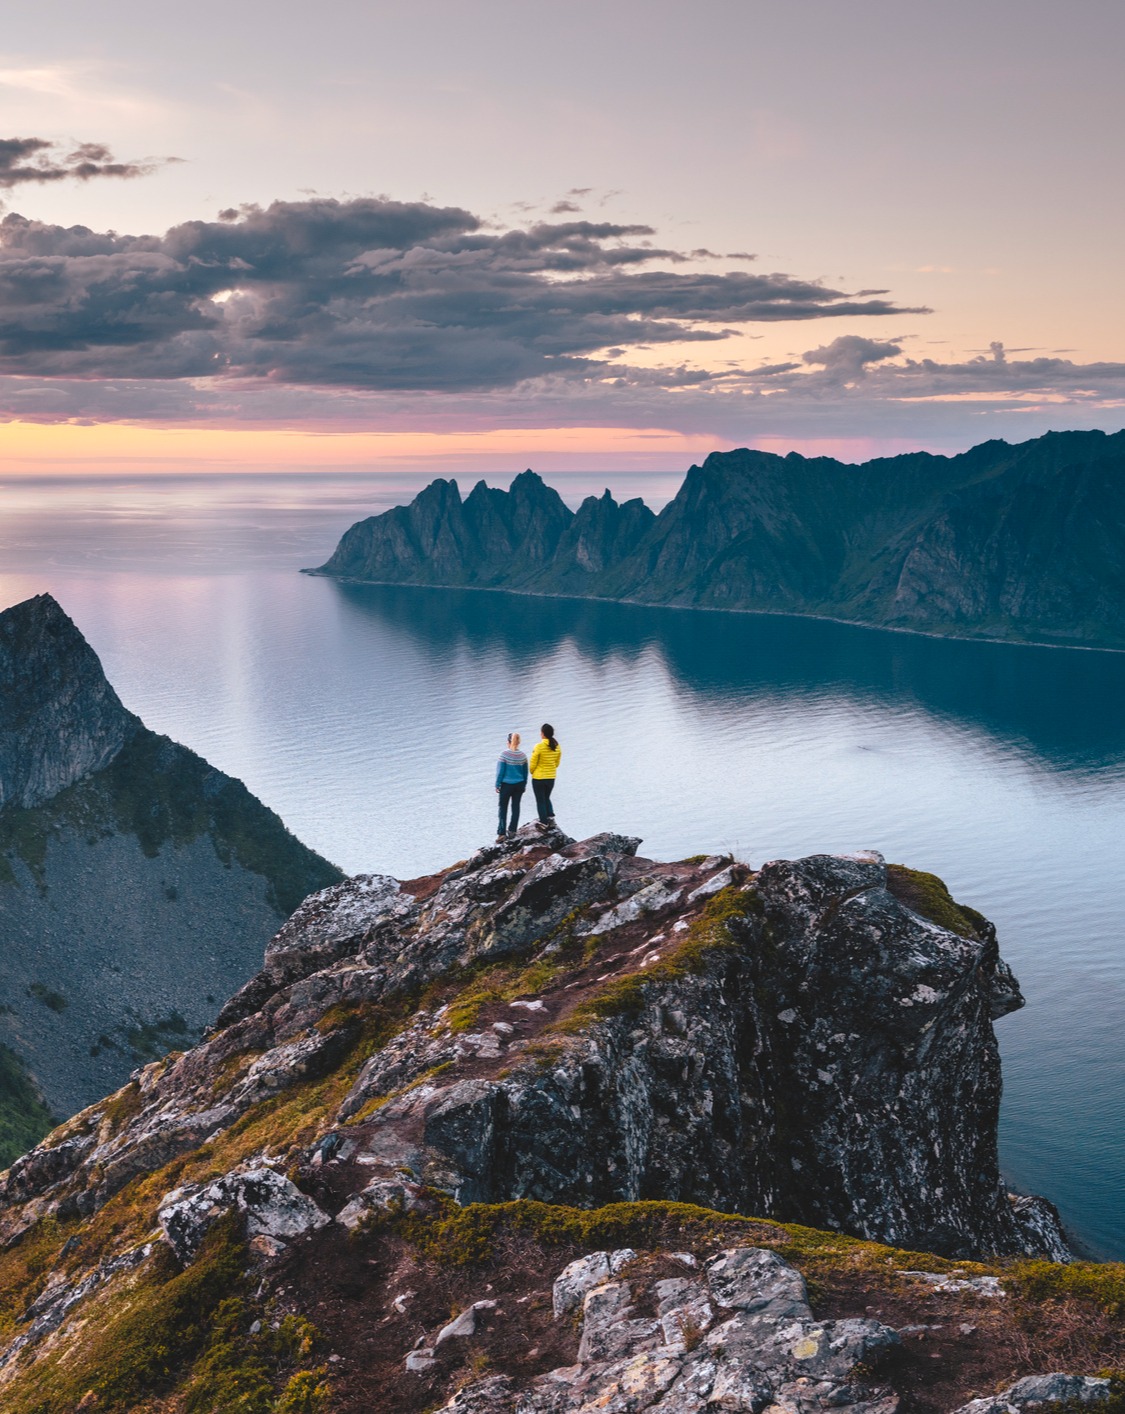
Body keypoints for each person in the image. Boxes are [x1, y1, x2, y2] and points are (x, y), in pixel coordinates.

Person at [495, 731, 529, 839]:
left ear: (508, 742)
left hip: (506, 785)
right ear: (518, 742)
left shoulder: (504, 755)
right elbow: (525, 773)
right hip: (519, 785)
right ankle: (512, 831)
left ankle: (501, 833)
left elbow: (500, 772)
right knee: (515, 807)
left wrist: (497, 784)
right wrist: (524, 785)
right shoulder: (523, 756)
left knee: (503, 808)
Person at [529, 722, 561, 829]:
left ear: (542, 734)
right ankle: (551, 817)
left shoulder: (539, 746)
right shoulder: (557, 747)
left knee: (540, 800)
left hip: (539, 778)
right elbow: (557, 763)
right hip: (551, 777)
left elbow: (533, 762)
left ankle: (543, 822)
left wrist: (532, 771)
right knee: (547, 797)